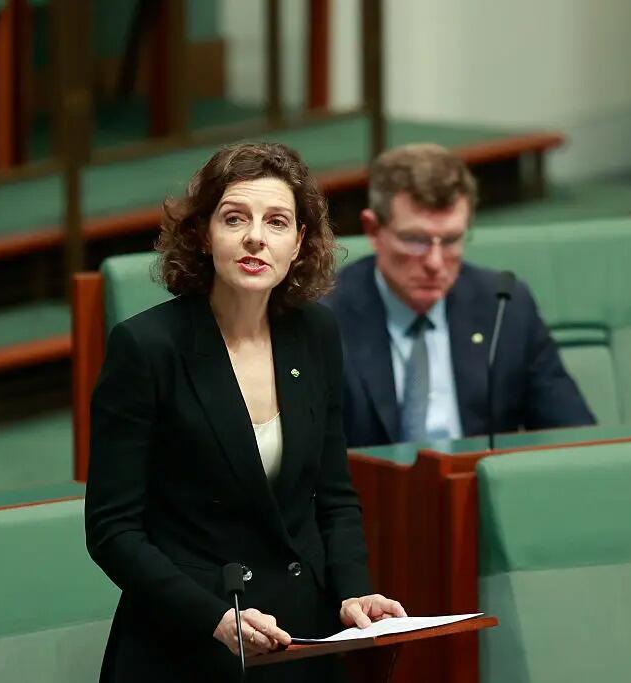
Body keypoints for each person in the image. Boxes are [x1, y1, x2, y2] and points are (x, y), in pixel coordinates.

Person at [85, 142, 405, 682]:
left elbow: (333, 497)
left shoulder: (316, 333)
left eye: (277, 222)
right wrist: (212, 618)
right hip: (187, 638)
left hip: (300, 637)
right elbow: (112, 531)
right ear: (203, 234)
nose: (256, 237)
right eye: (235, 218)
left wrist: (354, 593)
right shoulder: (147, 347)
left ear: (298, 242)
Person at [324, 144, 595, 448]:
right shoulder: (325, 317)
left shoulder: (505, 307)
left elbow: (576, 436)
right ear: (373, 230)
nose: (435, 263)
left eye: (451, 240)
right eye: (415, 240)